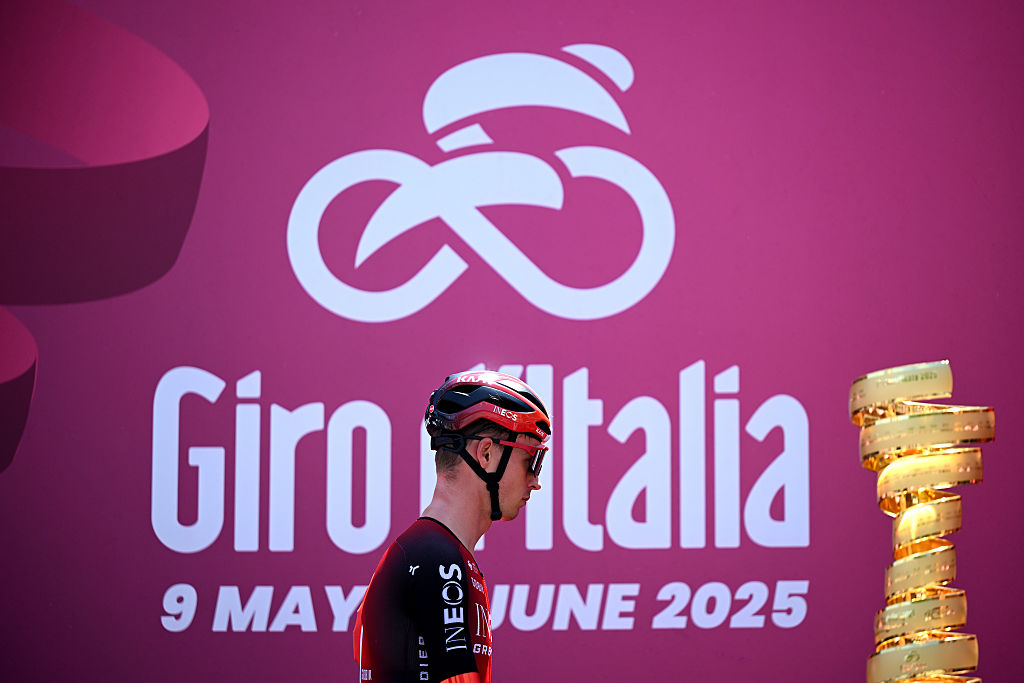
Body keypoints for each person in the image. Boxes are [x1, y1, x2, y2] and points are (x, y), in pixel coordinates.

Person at [353, 371, 552, 683]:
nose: (536, 481)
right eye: (531, 460)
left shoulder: (428, 552)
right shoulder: (439, 560)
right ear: (486, 454)